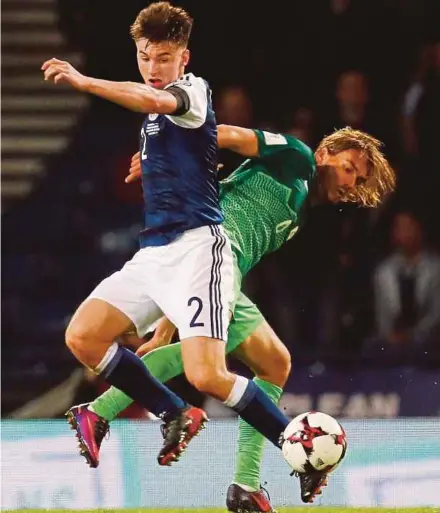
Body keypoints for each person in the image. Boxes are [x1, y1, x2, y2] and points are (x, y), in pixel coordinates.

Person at [67, 123, 395, 509]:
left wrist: (168, 324)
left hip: (216, 269)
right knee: (220, 368)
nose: (352, 183)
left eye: (359, 181)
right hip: (212, 256)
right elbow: (223, 133)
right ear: (325, 153)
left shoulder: (303, 205)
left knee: (272, 362)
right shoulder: (297, 156)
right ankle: (253, 477)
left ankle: (244, 483)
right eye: (350, 168)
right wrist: (163, 155)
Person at [42, 1, 296, 471]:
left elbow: (157, 101)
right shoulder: (154, 121)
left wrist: (84, 81)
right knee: (83, 338)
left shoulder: (191, 91)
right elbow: (183, 141)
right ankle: (175, 412)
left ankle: (294, 443)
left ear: (184, 58)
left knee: (207, 373)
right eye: (145, 56)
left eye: (163, 57)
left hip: (199, 250)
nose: (153, 68)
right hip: (155, 253)